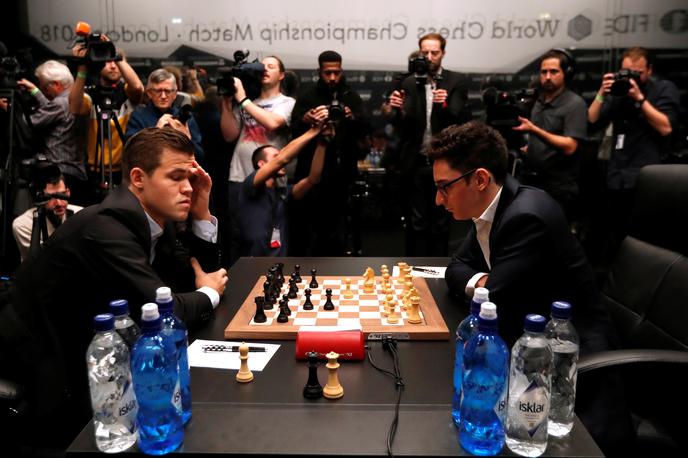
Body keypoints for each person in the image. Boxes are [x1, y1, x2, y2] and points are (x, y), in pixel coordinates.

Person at [1, 127, 227, 449]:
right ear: (138, 178)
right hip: (38, 356)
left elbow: (195, 276)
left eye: (190, 178)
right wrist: (209, 294)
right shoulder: (106, 227)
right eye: (176, 177)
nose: (188, 188)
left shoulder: (150, 219)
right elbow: (169, 308)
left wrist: (202, 213)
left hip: (86, 348)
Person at [429, 121, 613, 351]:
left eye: (445, 186)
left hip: (568, 354)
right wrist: (485, 283)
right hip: (524, 337)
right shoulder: (493, 208)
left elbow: (492, 303)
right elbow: (456, 266)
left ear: (480, 180)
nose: (438, 199)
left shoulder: (526, 218)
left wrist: (488, 289)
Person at [587, 46, 679, 257]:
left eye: (637, 73)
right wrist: (602, 93)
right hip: (617, 175)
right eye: (626, 71)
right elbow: (591, 120)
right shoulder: (619, 93)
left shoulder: (663, 89)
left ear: (649, 70)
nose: (632, 78)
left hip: (647, 177)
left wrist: (640, 99)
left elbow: (665, 127)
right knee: (617, 236)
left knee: (646, 237)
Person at [386, 33, 470, 256]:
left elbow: (460, 120)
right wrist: (396, 109)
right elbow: (401, 126)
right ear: (419, 53)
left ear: (443, 53)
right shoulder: (408, 82)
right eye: (425, 53)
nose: (430, 57)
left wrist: (444, 105)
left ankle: (441, 273)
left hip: (446, 161)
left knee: (442, 222)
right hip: (416, 160)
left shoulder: (456, 81)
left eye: (435, 52)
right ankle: (412, 274)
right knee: (416, 222)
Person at [289, 50, 368, 256]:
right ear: (319, 71)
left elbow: (366, 128)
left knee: (342, 227)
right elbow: (293, 129)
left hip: (344, 172)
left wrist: (352, 117)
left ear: (341, 71)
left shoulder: (351, 95)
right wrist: (307, 119)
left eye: (336, 72)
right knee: (310, 228)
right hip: (311, 171)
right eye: (327, 73)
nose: (332, 77)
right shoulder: (308, 95)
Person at [220, 55, 295, 265]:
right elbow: (229, 135)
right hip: (239, 174)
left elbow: (272, 123)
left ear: (281, 75)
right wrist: (226, 102)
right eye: (262, 66)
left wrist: (242, 100)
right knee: (237, 236)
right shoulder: (249, 101)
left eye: (271, 66)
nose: (265, 69)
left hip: (269, 180)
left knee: (265, 237)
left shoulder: (287, 103)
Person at [513, 49, 587, 223]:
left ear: (566, 74)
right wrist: (530, 146)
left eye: (554, 72)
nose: (547, 76)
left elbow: (570, 146)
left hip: (558, 188)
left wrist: (535, 130)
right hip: (531, 182)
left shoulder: (575, 104)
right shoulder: (537, 101)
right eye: (544, 72)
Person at [237, 122, 331, 256]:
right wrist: (314, 130)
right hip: (253, 265)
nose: (281, 160)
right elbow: (283, 159)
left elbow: (313, 179)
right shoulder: (250, 185)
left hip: (279, 265)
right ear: (261, 164)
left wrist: (322, 144)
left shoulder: (283, 193)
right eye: (275, 156)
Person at [0, 60, 87, 204]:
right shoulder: (77, 99)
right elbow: (50, 109)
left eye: (45, 87)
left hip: (60, 172)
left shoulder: (60, 104)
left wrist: (10, 109)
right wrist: (35, 91)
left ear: (56, 84)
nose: (44, 92)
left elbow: (29, 124)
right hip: (77, 170)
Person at [69, 39, 144, 195]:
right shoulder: (91, 92)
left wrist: (114, 52)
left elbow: (137, 88)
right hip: (94, 169)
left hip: (124, 168)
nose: (112, 65)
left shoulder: (126, 93)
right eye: (107, 61)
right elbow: (74, 108)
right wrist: (82, 66)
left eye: (115, 61)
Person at [125, 68, 204, 158]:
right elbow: (131, 153)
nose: (163, 96)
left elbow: (200, 155)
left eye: (167, 91)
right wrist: (156, 131)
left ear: (174, 94)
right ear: (149, 93)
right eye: (158, 91)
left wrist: (186, 138)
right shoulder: (138, 117)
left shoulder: (185, 117)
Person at [12, 166, 82, 262]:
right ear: (41, 197)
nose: (59, 203)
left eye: (62, 195)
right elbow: (46, 260)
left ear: (68, 193)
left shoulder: (81, 215)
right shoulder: (23, 225)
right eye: (52, 197)